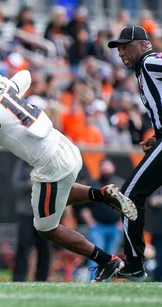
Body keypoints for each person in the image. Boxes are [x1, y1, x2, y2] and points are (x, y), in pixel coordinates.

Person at [0, 57, 137, 282]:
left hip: (50, 163)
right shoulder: (3, 85)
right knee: (56, 197)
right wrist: (9, 87)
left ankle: (107, 260)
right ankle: (101, 194)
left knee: (46, 228)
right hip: (66, 146)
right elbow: (26, 75)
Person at [108, 25, 162, 281]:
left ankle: (135, 264)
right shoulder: (144, 70)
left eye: (125, 47)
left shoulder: (151, 61)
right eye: (118, 50)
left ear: (143, 44)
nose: (121, 53)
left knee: (129, 195)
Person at [11, 159, 51, 282]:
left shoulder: (49, 163)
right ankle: (18, 278)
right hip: (25, 212)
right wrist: (30, 183)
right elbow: (15, 185)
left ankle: (42, 278)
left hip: (44, 212)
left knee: (44, 247)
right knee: (23, 246)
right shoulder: (22, 163)